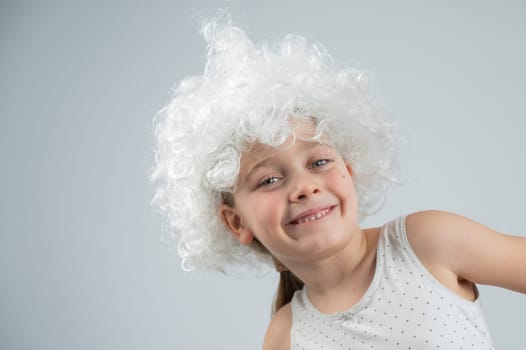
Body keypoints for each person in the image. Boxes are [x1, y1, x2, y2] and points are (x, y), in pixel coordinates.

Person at [151, 13, 526, 350]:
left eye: (319, 161)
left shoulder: (426, 244)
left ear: (349, 169)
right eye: (269, 179)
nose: (305, 187)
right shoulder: (285, 336)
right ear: (236, 222)